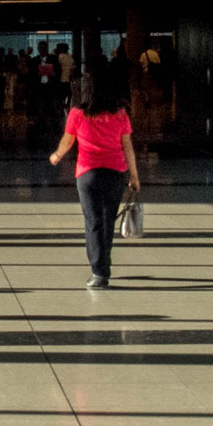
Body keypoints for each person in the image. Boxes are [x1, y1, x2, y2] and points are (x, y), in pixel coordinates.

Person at [48, 65, 140, 289]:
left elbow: (68, 141)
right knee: (108, 220)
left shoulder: (78, 113)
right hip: (116, 173)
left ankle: (99, 272)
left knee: (94, 222)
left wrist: (57, 155)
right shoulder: (120, 113)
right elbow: (127, 146)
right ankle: (104, 264)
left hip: (87, 174)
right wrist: (134, 176)